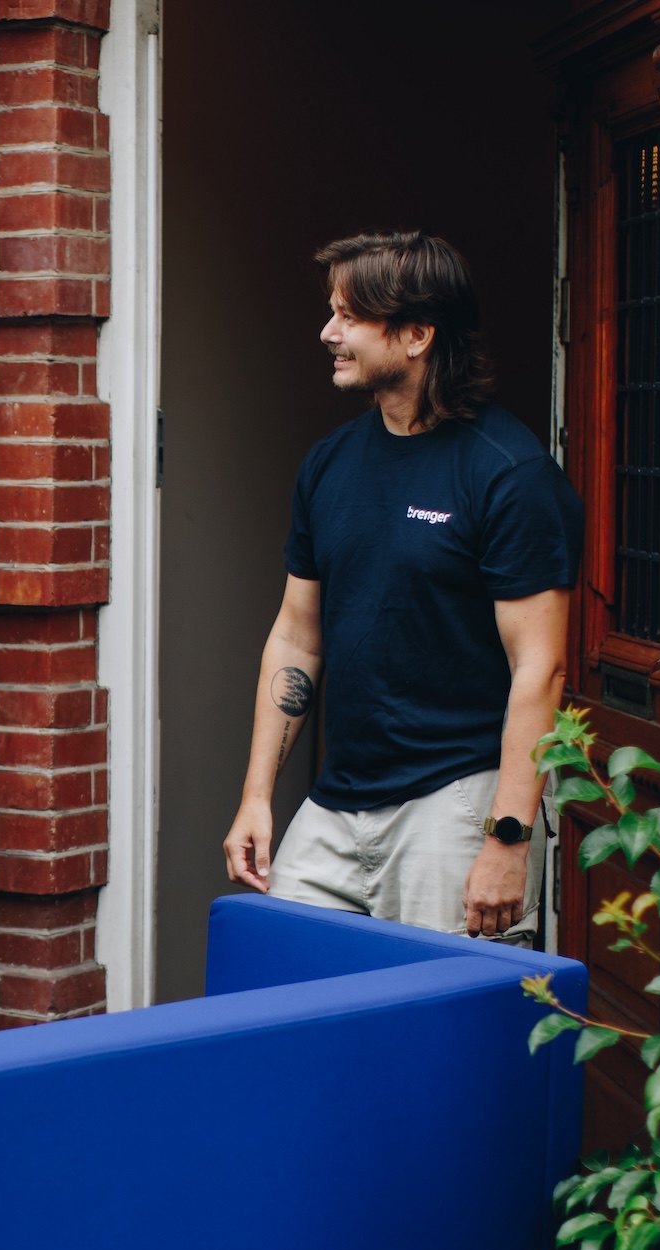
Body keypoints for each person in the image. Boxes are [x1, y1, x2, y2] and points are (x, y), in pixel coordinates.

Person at [221, 231, 583, 945]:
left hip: (453, 805)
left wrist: (508, 839)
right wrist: (257, 796)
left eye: (349, 317)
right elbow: (299, 633)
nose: (328, 334)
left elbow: (540, 670)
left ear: (417, 334)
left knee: (442, 1040)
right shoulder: (328, 464)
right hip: (334, 805)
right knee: (291, 1002)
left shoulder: (508, 474)